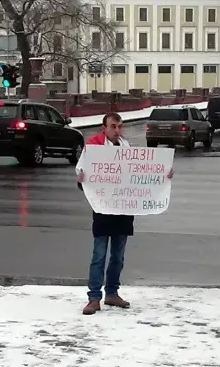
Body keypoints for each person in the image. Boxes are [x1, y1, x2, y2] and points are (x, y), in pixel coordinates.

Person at [76, 113, 174, 315]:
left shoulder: (126, 149)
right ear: (104, 128)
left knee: (118, 257)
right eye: (113, 126)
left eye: (120, 126)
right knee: (99, 256)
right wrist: (82, 179)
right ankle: (94, 298)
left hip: (124, 210)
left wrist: (164, 175)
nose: (117, 130)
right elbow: (84, 181)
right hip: (103, 211)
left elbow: (142, 175)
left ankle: (112, 293)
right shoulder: (94, 148)